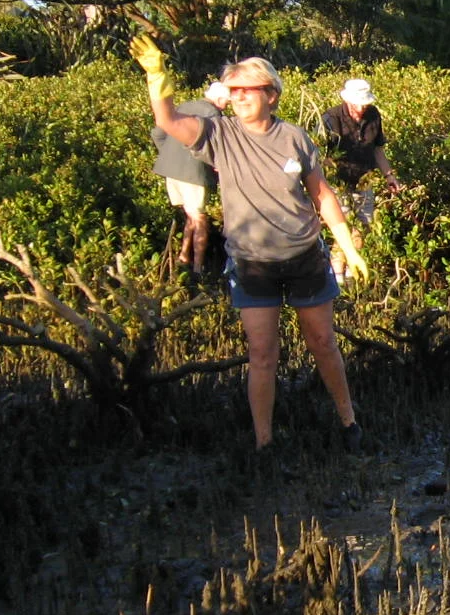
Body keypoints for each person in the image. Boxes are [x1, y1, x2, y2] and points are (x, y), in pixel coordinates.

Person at [131, 35, 369, 453]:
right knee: (262, 355)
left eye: (247, 90)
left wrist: (347, 247)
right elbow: (168, 121)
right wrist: (157, 78)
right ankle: (264, 443)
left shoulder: (295, 138)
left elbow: (322, 195)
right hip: (251, 263)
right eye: (233, 89)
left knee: (324, 342)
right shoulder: (217, 134)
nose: (238, 96)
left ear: (271, 94)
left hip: (303, 257)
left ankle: (349, 423)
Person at [321, 79, 401, 279]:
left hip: (365, 180)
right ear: (348, 101)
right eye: (358, 103)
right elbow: (321, 156)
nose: (362, 107)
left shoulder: (373, 115)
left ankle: (350, 276)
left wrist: (389, 177)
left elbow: (378, 150)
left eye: (364, 103)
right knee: (343, 227)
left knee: (363, 227)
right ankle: (337, 277)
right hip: (338, 183)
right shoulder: (331, 118)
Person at [150, 81, 229, 274]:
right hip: (194, 174)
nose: (228, 106)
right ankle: (198, 267)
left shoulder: (184, 106)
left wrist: (170, 153)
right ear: (219, 99)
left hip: (171, 171)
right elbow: (218, 147)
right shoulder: (214, 114)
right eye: (227, 101)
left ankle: (184, 256)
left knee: (192, 215)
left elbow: (158, 133)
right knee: (200, 217)